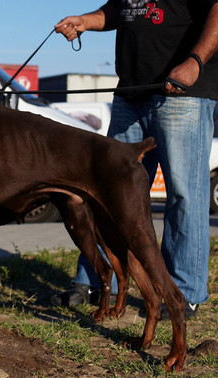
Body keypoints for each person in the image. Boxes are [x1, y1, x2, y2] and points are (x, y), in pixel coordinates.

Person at [51, 0, 218, 319]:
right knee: (104, 193)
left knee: (184, 196)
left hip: (184, 94)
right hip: (130, 93)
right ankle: (94, 281)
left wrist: (195, 62)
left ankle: (185, 290)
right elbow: (125, 8)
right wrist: (87, 20)